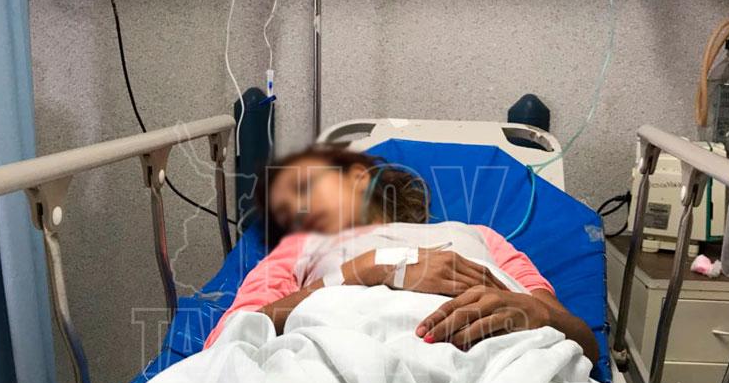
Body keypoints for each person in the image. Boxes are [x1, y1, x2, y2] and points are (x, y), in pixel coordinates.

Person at [205, 146, 598, 363]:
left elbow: (585, 343)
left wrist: (536, 313)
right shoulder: (303, 246)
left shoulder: (477, 236)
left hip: (499, 361)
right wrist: (364, 271)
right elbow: (231, 338)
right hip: (344, 360)